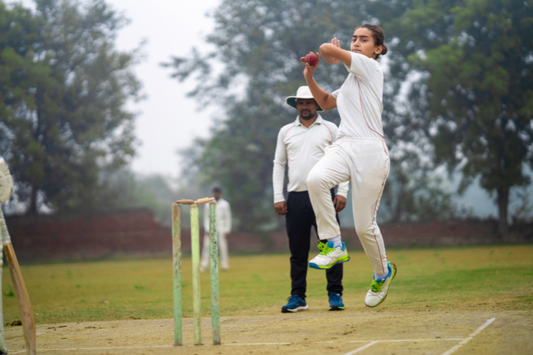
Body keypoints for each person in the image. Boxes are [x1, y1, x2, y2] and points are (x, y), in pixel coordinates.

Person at [302, 24, 397, 308]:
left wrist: (332, 55)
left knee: (364, 227)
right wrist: (310, 76)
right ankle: (333, 243)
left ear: (377, 49)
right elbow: (325, 102)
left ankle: (382, 273)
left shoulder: (370, 68)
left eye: (363, 40)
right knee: (315, 179)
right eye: (354, 39)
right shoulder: (351, 81)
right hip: (344, 144)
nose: (356, 43)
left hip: (370, 149)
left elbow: (326, 49)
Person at [273, 86, 350, 313]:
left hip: (325, 196)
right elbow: (279, 164)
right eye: (300, 103)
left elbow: (345, 158)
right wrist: (279, 196)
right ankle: (298, 296)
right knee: (297, 251)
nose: (304, 106)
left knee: (331, 247)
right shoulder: (286, 131)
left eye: (309, 102)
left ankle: (335, 294)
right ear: (296, 106)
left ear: (317, 103)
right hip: (295, 197)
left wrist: (343, 191)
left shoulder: (330, 128)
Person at [201, 186, 232, 271]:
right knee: (207, 246)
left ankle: (224, 265)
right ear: (213, 193)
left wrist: (227, 229)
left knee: (223, 246)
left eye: (218, 193)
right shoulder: (208, 204)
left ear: (220, 194)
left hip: (221, 226)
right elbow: (206, 218)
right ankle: (204, 265)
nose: (216, 194)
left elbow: (228, 217)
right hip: (211, 226)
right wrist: (207, 229)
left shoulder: (225, 204)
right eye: (215, 193)